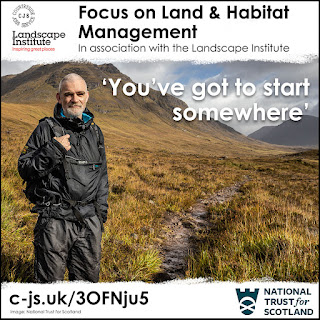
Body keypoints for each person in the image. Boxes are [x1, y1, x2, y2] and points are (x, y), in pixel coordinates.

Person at [18, 73, 108, 283]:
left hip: (89, 222)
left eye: (79, 94)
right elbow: (24, 168)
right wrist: (53, 150)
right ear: (59, 97)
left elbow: (102, 176)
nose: (74, 99)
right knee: (51, 287)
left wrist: (99, 216)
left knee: (87, 287)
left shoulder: (95, 132)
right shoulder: (45, 128)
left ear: (87, 96)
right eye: (68, 94)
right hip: (54, 222)